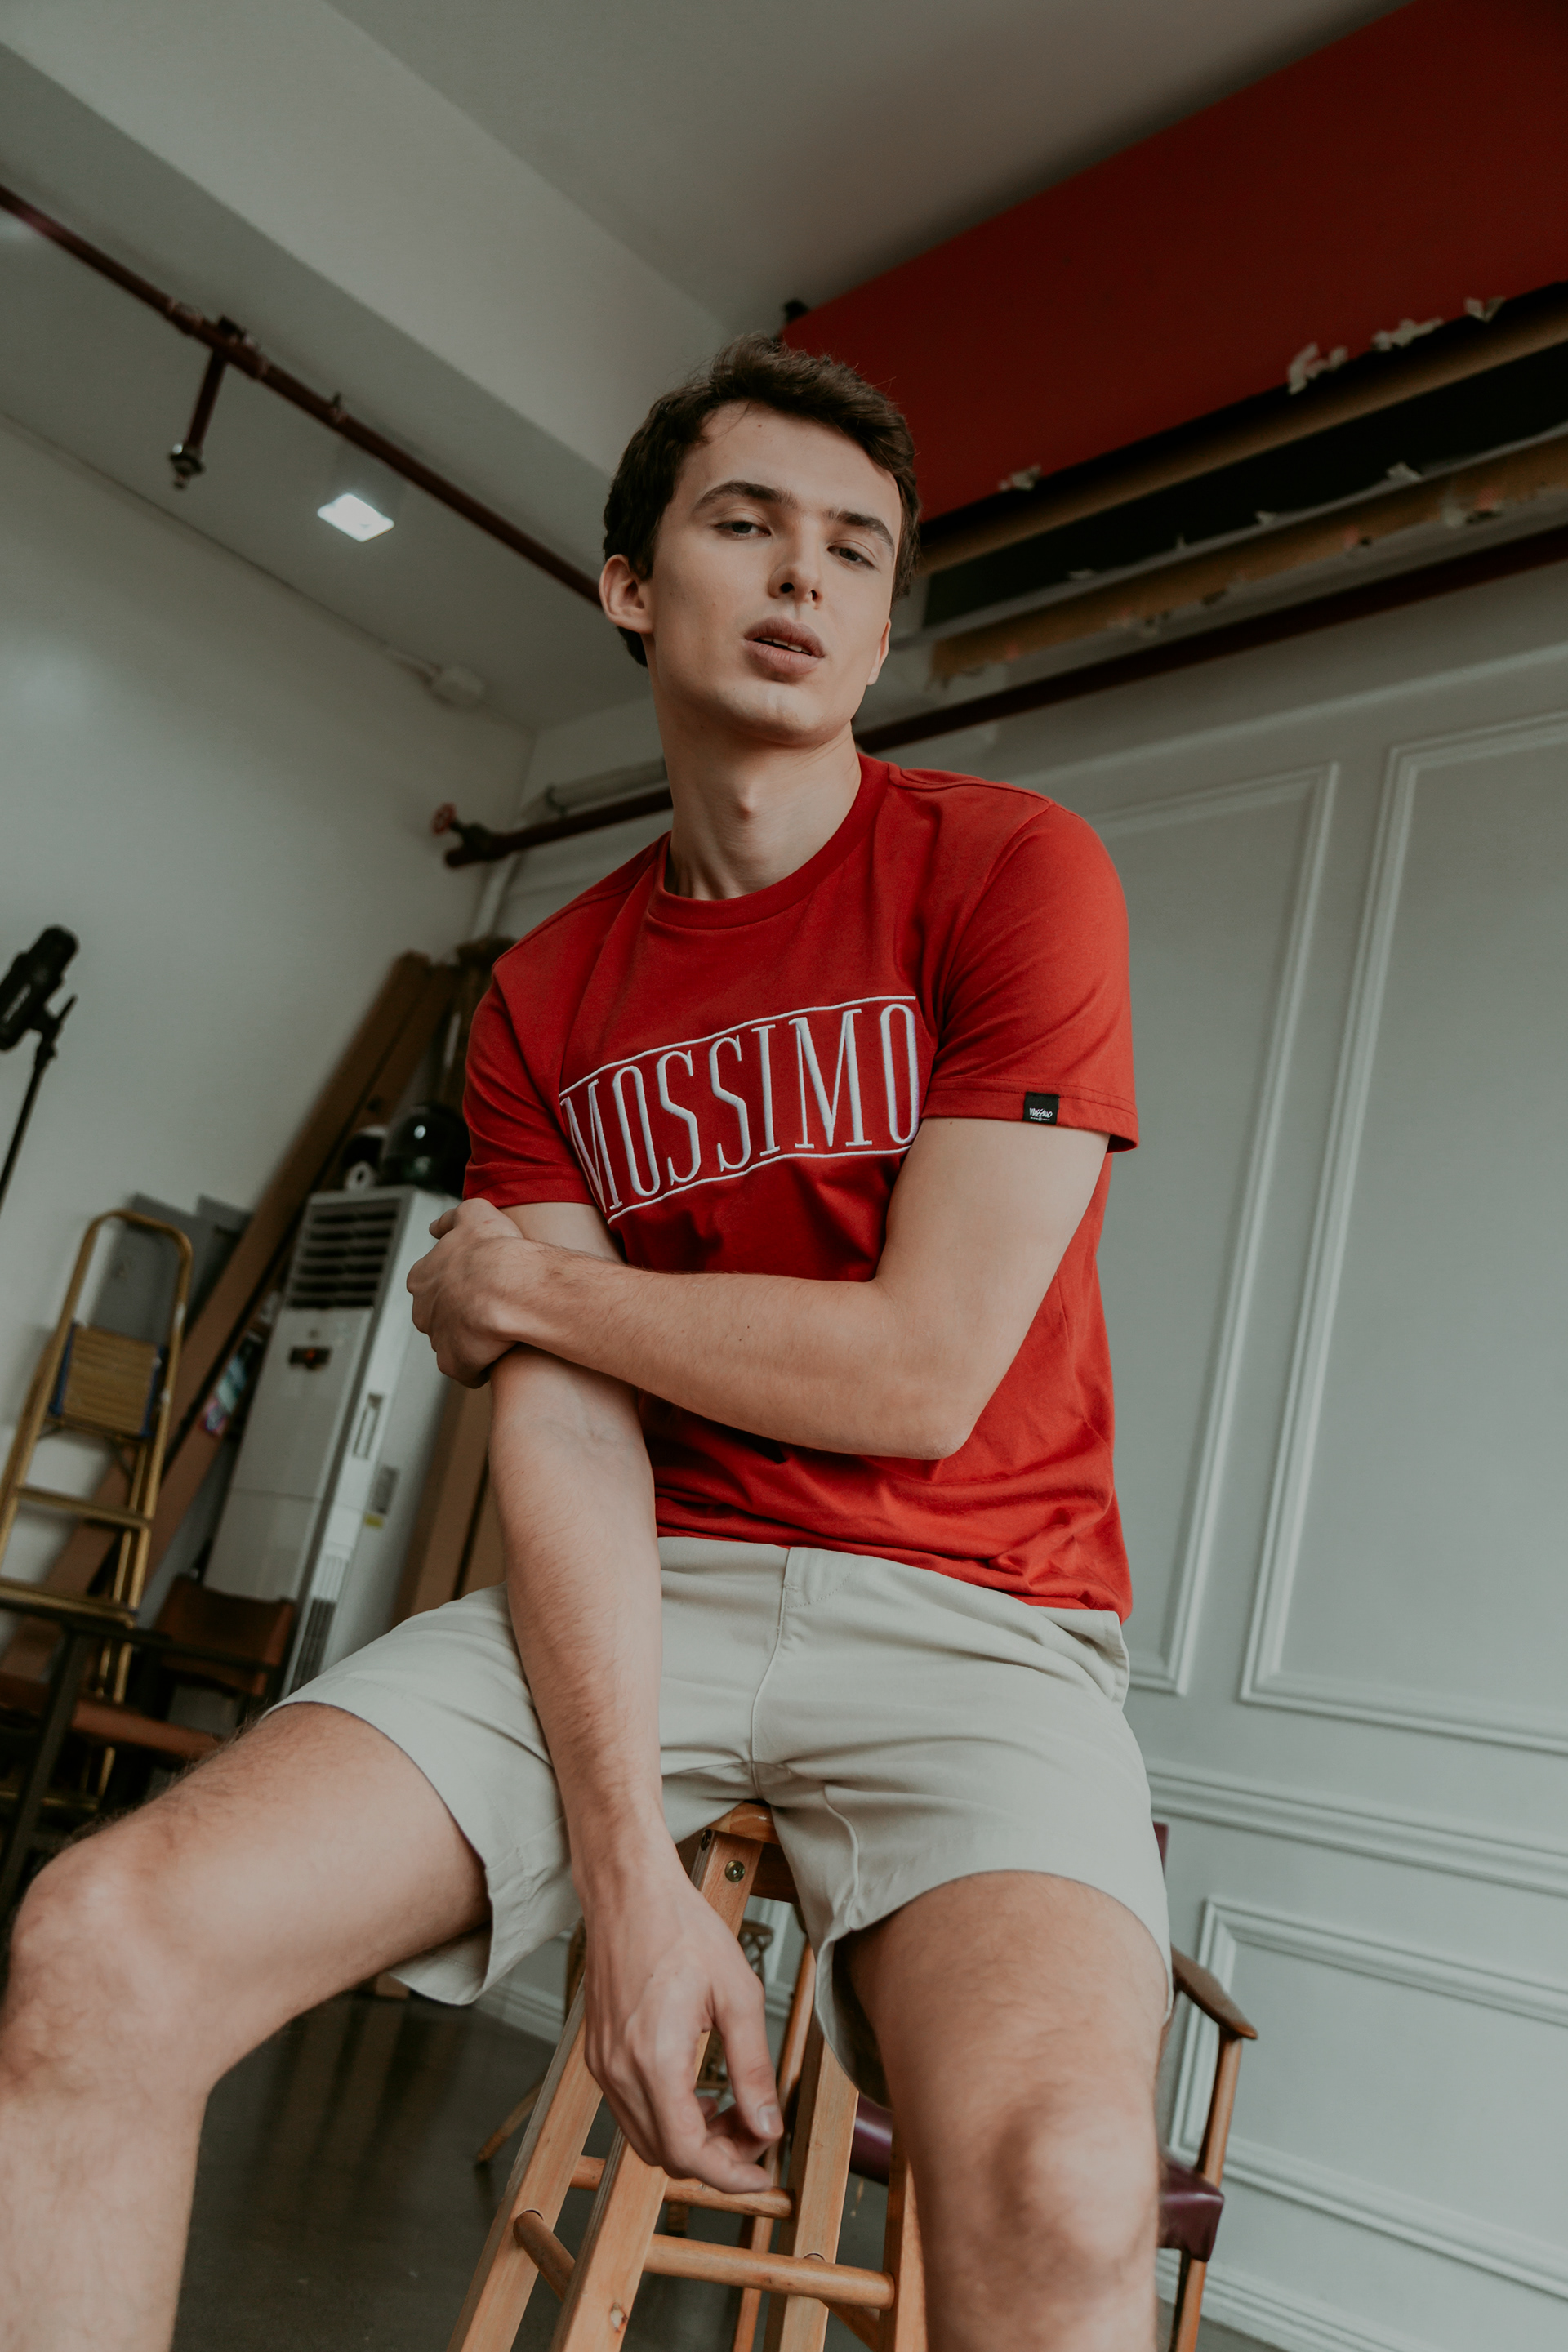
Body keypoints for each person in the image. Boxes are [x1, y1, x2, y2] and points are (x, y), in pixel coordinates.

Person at [0, 335, 1169, 2352]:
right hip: (643, 1586)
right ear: (631, 583)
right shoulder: (544, 994)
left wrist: (538, 1286)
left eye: (855, 550)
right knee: (99, 1944)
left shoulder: (1010, 870)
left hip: (981, 1620)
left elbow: (919, 1374)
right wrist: (624, 1883)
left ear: (883, 616)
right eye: (747, 525)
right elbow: (567, 1433)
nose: (803, 577)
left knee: (1064, 2184)